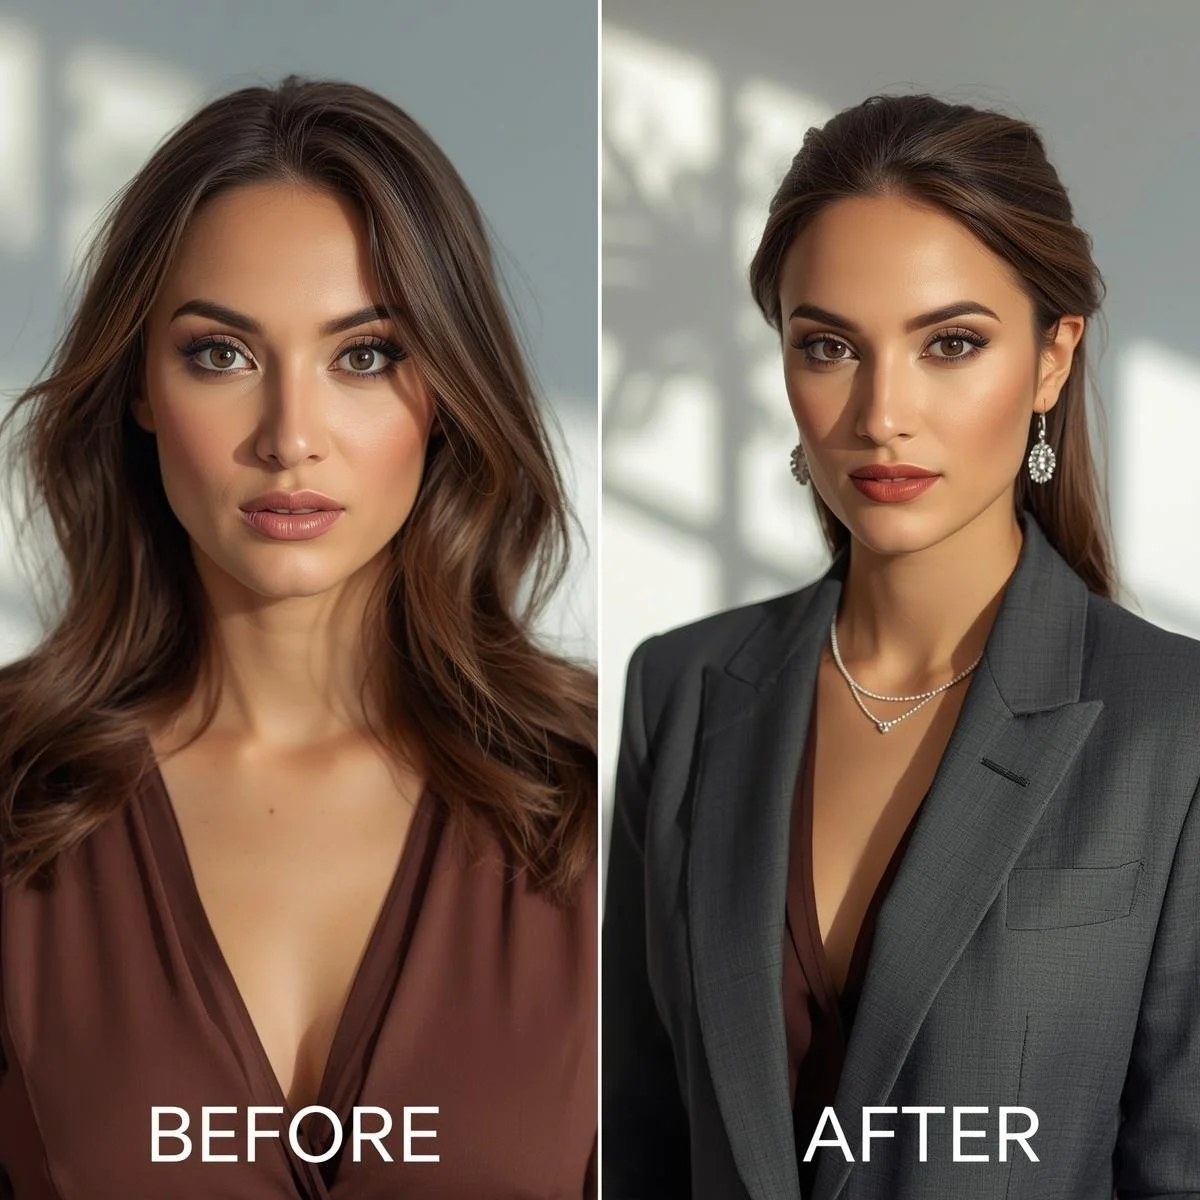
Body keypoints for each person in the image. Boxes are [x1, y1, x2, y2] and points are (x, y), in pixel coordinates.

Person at [0, 76, 596, 1199]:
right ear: (137, 385)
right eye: (221, 356)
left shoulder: (615, 791)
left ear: (448, 390)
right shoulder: (14, 787)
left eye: (363, 356)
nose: (290, 438)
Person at [602, 92, 1200, 1199]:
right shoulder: (677, 693)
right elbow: (639, 1142)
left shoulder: (1174, 724)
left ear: (1053, 359)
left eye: (952, 343)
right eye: (829, 345)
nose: (882, 412)